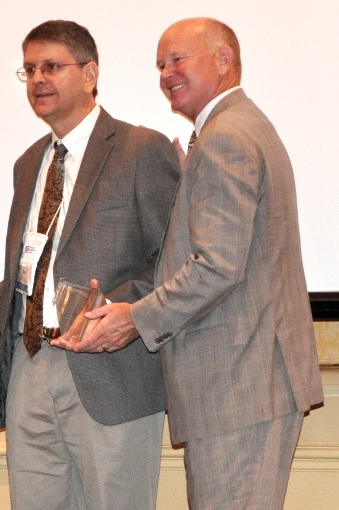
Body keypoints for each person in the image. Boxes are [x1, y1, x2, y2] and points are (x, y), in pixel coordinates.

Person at [66, 18, 324, 508]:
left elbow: (216, 267)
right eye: (160, 65)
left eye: (178, 59)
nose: (166, 74)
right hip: (249, 383)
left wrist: (135, 317)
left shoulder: (224, 137)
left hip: (238, 387)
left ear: (224, 60)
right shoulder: (237, 128)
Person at [0, 20, 181, 510]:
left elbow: (174, 261)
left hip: (110, 369)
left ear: (89, 74)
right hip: (29, 364)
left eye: (52, 67)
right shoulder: (28, 164)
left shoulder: (140, 149)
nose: (38, 79)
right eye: (30, 69)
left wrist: (121, 311)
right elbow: (31, 272)